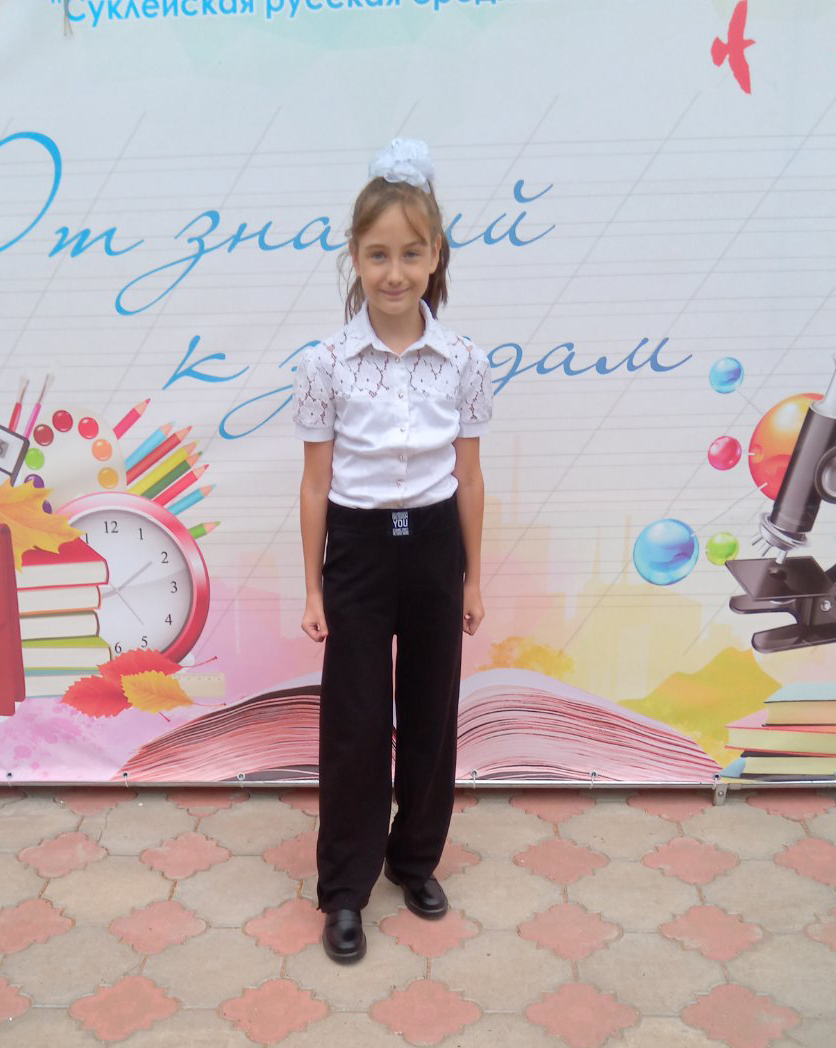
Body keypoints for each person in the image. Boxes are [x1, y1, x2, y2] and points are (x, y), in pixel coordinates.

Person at [293, 139, 492, 964]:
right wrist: (314, 589)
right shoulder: (325, 364)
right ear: (355, 256)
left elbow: (470, 478)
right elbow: (315, 484)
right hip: (360, 553)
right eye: (378, 254)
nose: (395, 272)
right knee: (356, 723)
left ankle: (415, 861)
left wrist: (472, 577)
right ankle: (344, 888)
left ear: (435, 255)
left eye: (411, 253)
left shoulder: (465, 361)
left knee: (432, 712)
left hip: (436, 546)